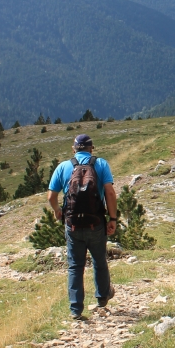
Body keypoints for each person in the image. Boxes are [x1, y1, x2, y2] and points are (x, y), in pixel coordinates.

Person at [48, 134, 118, 320]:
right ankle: (102, 298)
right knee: (99, 260)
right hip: (96, 223)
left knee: (75, 266)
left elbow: (51, 196)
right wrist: (113, 218)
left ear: (74, 149)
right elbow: (110, 192)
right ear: (91, 148)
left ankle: (76, 309)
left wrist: (57, 211)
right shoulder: (101, 164)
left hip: (73, 226)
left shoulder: (63, 166)